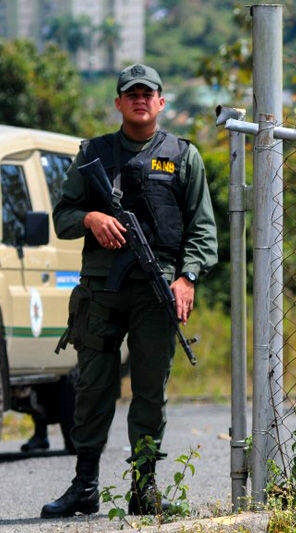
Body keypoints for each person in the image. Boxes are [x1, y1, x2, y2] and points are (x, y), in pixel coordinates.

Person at [41, 64, 218, 518]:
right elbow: (61, 217)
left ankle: (144, 487)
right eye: (131, 93)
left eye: (148, 93)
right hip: (102, 292)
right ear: (119, 103)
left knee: (149, 392)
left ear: (161, 102)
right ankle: (85, 486)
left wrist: (187, 277)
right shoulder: (93, 154)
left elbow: (202, 229)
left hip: (156, 293)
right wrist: (91, 218)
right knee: (93, 387)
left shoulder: (183, 156)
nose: (140, 99)